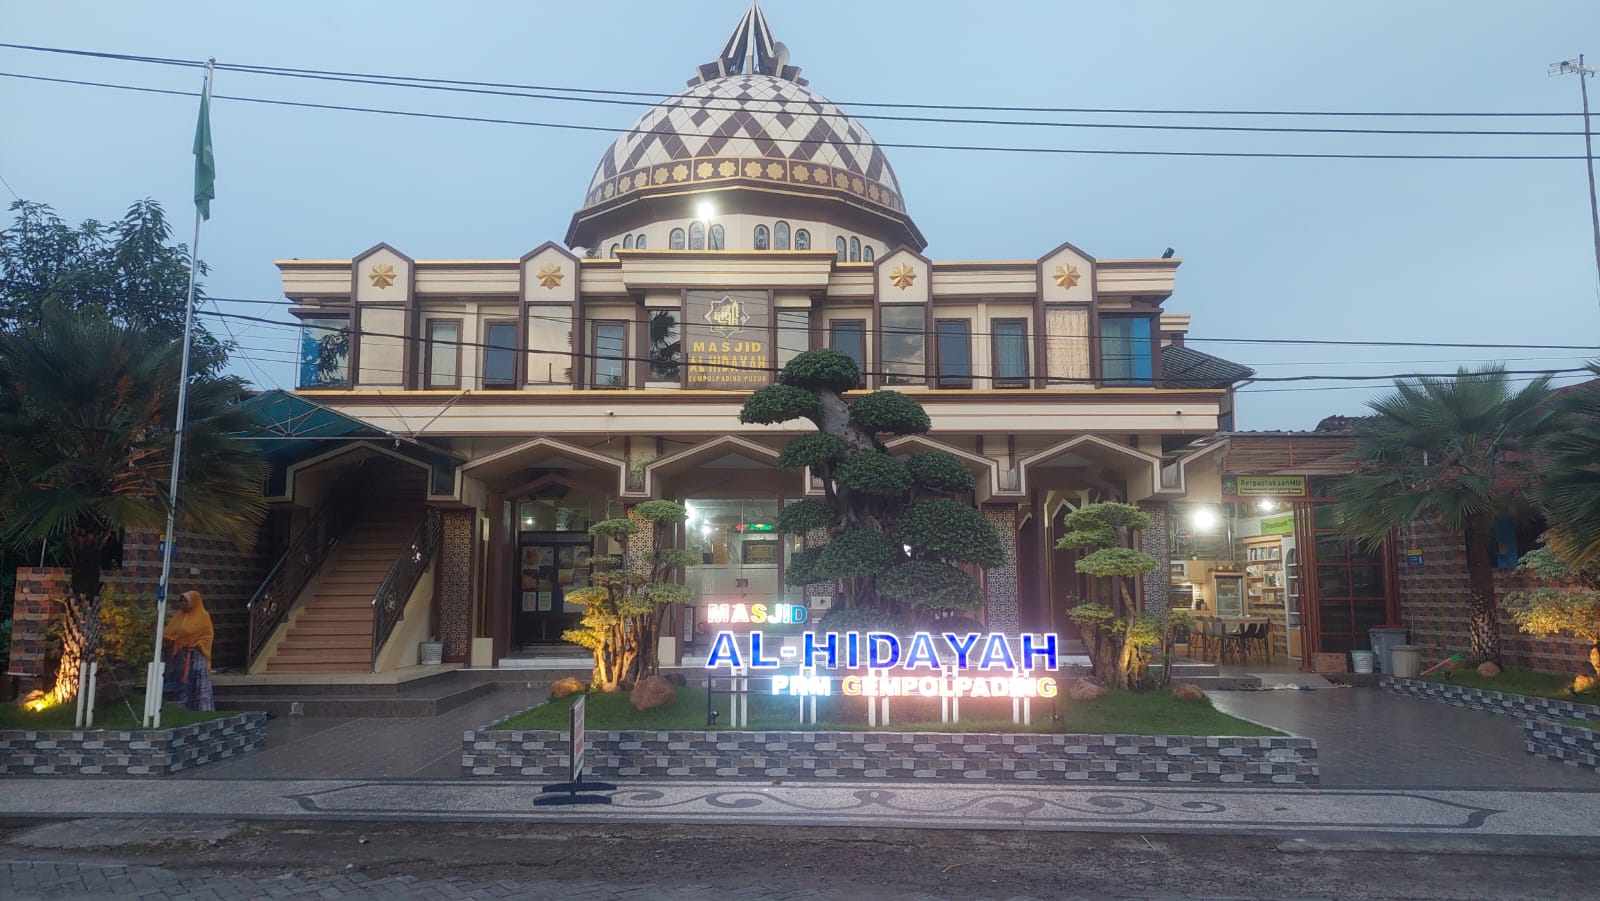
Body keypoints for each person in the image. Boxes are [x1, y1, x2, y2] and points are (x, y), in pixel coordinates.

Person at [163, 590, 215, 711]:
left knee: (196, 682)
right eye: (180, 601)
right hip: (180, 656)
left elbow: (208, 636)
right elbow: (169, 632)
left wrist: (197, 644)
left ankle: (201, 708)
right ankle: (181, 707)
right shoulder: (179, 617)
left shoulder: (203, 617)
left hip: (196, 656)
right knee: (181, 681)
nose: (182, 604)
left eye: (185, 601)